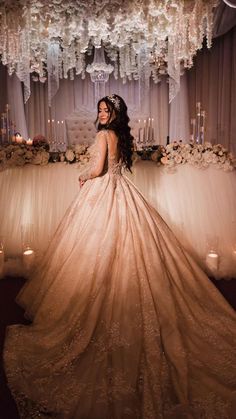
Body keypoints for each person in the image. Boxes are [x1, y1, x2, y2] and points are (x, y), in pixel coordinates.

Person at [4, 94, 236, 418]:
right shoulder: (118, 136)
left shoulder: (102, 136)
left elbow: (98, 169)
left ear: (114, 114)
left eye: (105, 110)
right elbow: (115, 167)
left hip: (103, 194)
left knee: (95, 254)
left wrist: (83, 175)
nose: (100, 114)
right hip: (123, 193)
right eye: (99, 109)